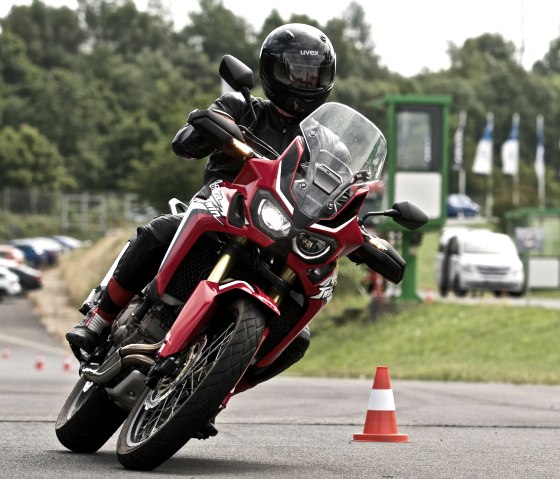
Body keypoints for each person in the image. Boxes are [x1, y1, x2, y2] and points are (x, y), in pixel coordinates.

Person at [66, 23, 337, 386]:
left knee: (297, 339)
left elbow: (342, 192)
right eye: (295, 72)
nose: (303, 82)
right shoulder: (241, 107)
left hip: (280, 236)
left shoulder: (328, 146)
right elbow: (185, 143)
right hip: (221, 210)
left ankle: (213, 390)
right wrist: (206, 130)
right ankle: (100, 318)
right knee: (160, 230)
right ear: (271, 71)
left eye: (312, 74)